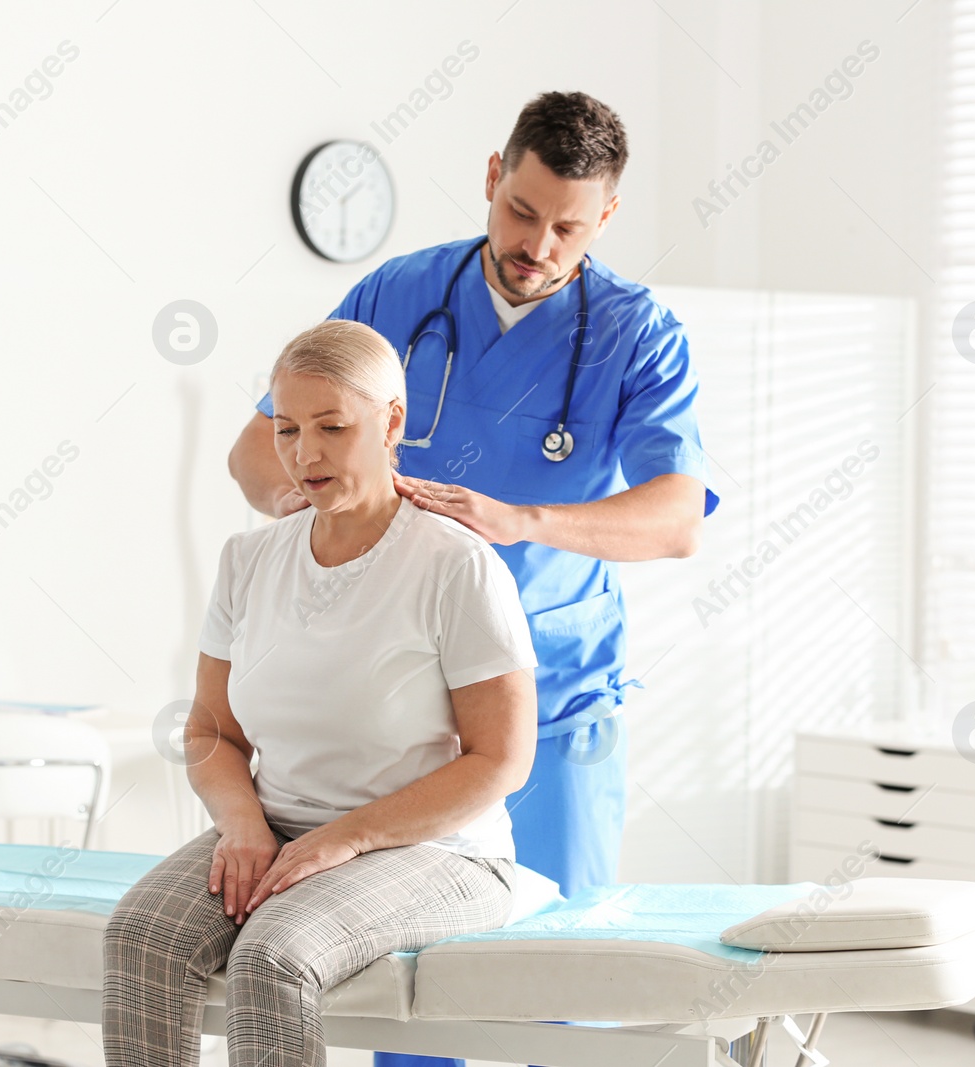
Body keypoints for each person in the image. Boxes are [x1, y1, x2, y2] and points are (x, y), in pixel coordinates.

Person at [227, 91, 718, 1067]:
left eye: (568, 226)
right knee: (409, 989)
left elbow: (675, 519)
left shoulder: (636, 331)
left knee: (563, 985)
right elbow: (255, 449)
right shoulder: (396, 294)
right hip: (404, 714)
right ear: (493, 176)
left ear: (605, 218)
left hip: (559, 694)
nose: (538, 242)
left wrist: (520, 519)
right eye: (521, 211)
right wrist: (317, 499)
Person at [103, 319, 539, 1067]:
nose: (305, 454)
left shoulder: (454, 566)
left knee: (272, 956)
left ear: (391, 421)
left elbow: (501, 759)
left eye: (332, 427)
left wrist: (347, 835)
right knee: (141, 935)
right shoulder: (249, 559)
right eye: (287, 429)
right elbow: (212, 728)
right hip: (278, 827)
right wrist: (242, 823)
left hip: (439, 849)